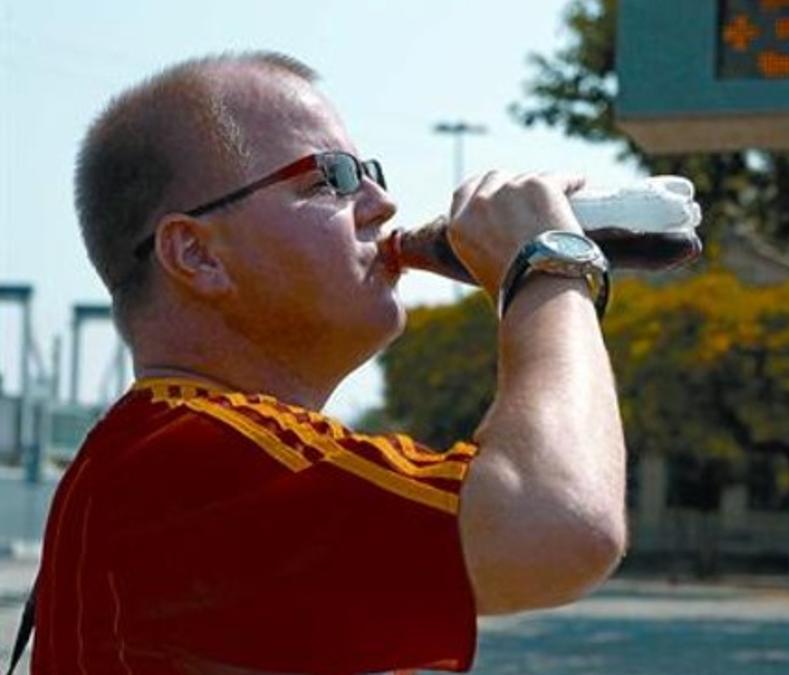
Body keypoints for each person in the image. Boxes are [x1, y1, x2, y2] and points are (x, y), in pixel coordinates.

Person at [31, 51, 627, 673]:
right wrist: (548, 267)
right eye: (331, 179)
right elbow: (560, 523)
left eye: (371, 172)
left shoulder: (156, 452)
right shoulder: (188, 458)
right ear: (196, 255)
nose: (382, 204)